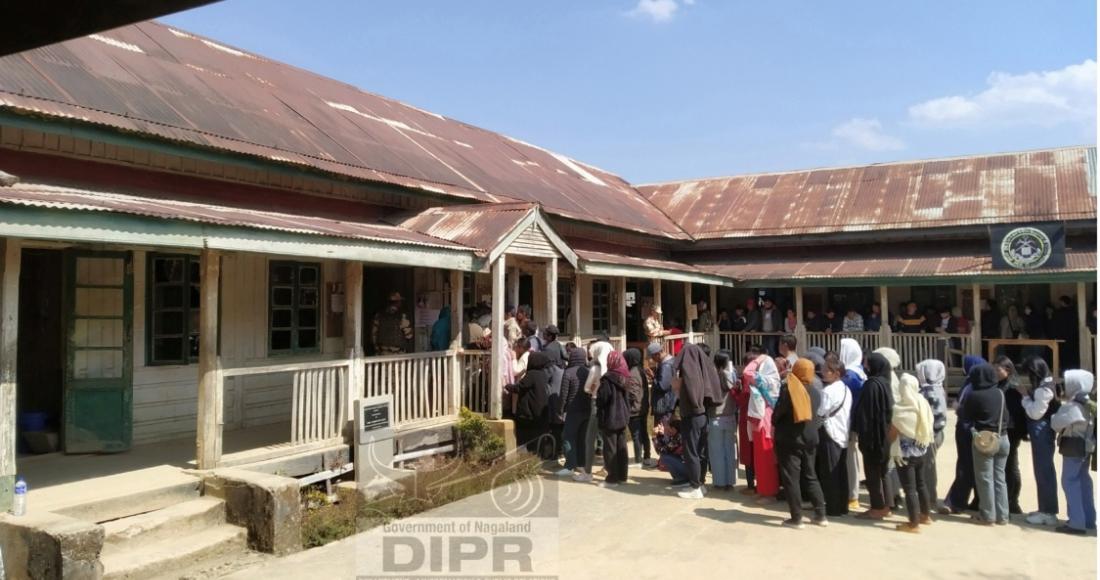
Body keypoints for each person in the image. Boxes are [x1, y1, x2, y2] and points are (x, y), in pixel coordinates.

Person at [774, 358, 827, 528]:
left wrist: (775, 421)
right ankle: (820, 515)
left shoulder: (790, 388)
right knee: (810, 476)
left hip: (790, 439)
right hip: (810, 438)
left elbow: (778, 413)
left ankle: (796, 518)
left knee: (791, 479)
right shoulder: (815, 391)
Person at [959, 363, 1010, 526]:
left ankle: (988, 515)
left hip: (985, 440)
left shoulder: (974, 395)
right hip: (1003, 438)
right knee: (1000, 478)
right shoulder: (1000, 393)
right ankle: (1003, 516)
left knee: (985, 478)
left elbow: (965, 417)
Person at [672, 342, 724, 499]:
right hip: (702, 415)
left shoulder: (692, 374)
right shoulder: (703, 370)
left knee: (692, 451)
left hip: (693, 415)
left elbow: (690, 390)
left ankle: (695, 486)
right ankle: (700, 483)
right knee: (700, 451)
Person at [1051, 369, 1096, 535]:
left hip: (1073, 447)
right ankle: (1089, 519)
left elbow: (1056, 424)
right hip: (1087, 446)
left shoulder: (1073, 406)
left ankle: (1077, 522)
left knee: (1069, 482)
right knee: (1084, 481)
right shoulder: (1090, 404)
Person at [942, 354, 987, 514]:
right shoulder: (981, 383)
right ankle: (977, 500)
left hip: (967, 428)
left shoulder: (971, 385)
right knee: (973, 465)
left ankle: (955, 501)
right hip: (972, 429)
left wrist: (959, 408)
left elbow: (960, 406)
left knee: (965, 466)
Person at [1018, 357, 1061, 526]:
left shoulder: (1044, 390)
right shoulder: (1049, 383)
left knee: (1044, 470)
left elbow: (1035, 413)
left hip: (1041, 431)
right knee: (1042, 469)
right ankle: (1044, 507)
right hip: (1042, 431)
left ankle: (1048, 512)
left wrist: (1024, 397)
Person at [852, 352, 894, 519]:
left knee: (873, 473)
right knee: (884, 472)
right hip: (884, 436)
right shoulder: (885, 383)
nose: (866, 367)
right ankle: (887, 505)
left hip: (872, 438)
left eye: (868, 365)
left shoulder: (871, 385)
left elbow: (865, 414)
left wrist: (859, 431)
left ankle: (877, 507)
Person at [892, 374, 936, 532]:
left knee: (909, 488)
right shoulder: (922, 402)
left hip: (905, 455)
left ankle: (913, 523)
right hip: (922, 449)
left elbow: (892, 433)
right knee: (921, 484)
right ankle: (925, 515)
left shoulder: (900, 408)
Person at [743, 352, 781, 502]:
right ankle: (762, 488)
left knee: (766, 460)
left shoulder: (768, 381)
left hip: (765, 423)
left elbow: (747, 372)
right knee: (759, 460)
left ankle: (769, 492)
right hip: (760, 421)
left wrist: (758, 360)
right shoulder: (769, 379)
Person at [817, 354, 851, 517]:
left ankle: (833, 507)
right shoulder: (846, 389)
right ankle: (843, 505)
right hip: (842, 431)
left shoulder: (828, 391)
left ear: (836, 373)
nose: (823, 372)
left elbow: (821, 412)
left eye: (827, 370)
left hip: (830, 432)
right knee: (841, 471)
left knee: (830, 472)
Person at [575, 341, 613, 482]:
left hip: (596, 403)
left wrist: (591, 389)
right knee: (607, 437)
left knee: (590, 438)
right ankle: (607, 467)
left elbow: (586, 388)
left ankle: (587, 471)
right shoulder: (612, 368)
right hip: (609, 405)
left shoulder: (595, 369)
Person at [595, 351, 632, 488]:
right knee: (621, 447)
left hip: (610, 417)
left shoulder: (607, 379)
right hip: (622, 416)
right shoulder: (625, 376)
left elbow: (603, 398)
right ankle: (622, 476)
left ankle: (612, 479)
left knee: (610, 448)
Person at [915, 359, 948, 513]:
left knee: (928, 466)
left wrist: (927, 433)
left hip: (930, 435)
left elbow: (938, 416)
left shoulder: (931, 391)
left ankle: (929, 499)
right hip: (933, 434)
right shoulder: (936, 388)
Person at [994, 356, 1025, 514]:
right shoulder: (999, 384)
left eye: (998, 369)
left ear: (1007, 370)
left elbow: (1016, 411)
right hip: (1001, 428)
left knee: (1011, 465)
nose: (995, 372)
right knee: (1004, 466)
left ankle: (1013, 500)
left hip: (1011, 429)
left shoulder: (1013, 387)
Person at [839, 338, 866, 510]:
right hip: (854, 420)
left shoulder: (850, 376)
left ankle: (852, 495)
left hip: (848, 421)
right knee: (852, 456)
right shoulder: (860, 370)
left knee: (849, 458)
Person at [505, 349, 550, 455]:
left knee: (524, 437)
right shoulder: (543, 374)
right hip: (539, 413)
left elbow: (519, 387)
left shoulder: (532, 375)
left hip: (528, 413)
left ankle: (526, 458)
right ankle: (536, 455)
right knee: (536, 436)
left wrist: (507, 386)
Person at [557, 347, 590, 477]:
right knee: (582, 439)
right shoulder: (588, 371)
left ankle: (570, 465)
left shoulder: (568, 372)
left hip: (573, 410)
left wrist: (560, 410)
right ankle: (581, 464)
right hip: (587, 410)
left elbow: (564, 394)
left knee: (568, 437)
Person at [708, 350, 738, 490]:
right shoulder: (732, 375)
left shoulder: (712, 376)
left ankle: (719, 482)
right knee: (729, 450)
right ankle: (730, 481)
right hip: (730, 416)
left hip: (716, 416)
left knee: (717, 451)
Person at [623, 348, 652, 468]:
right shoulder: (639, 370)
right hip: (643, 407)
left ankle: (638, 459)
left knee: (636, 435)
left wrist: (626, 402)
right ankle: (647, 457)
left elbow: (633, 394)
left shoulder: (632, 374)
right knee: (644, 433)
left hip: (635, 409)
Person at [648, 342, 677, 427]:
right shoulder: (669, 362)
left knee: (662, 433)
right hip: (667, 404)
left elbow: (663, 386)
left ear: (657, 354)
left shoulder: (666, 366)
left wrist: (653, 377)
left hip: (664, 406)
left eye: (652, 357)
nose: (652, 360)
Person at [654, 420, 688, 486]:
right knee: (665, 456)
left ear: (674, 429)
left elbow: (662, 450)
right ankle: (679, 477)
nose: (668, 430)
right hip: (688, 466)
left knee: (664, 457)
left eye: (669, 428)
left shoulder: (678, 438)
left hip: (686, 468)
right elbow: (667, 447)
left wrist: (654, 437)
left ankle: (681, 478)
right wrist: (661, 435)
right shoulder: (680, 435)